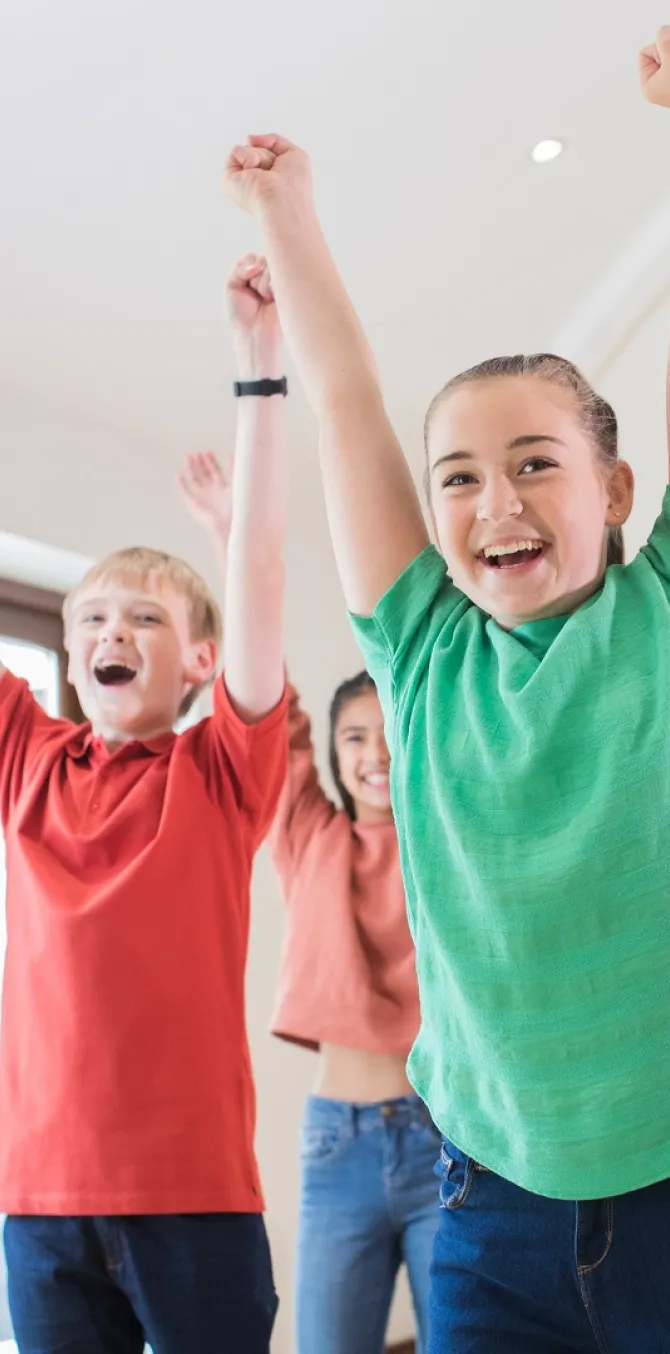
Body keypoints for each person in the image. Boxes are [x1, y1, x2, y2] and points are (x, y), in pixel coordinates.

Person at [223, 26, 670, 1354]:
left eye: (535, 463)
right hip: (496, 1208)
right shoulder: (426, 654)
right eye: (457, 475)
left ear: (615, 490)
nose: (493, 498)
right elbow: (346, 405)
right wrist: (287, 216)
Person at [0, 255, 289, 1354]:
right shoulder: (26, 751)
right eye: (92, 620)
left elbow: (258, 575)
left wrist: (256, 372)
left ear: (202, 660)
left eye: (144, 621)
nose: (111, 635)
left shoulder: (220, 769)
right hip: (38, 1198)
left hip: (195, 1201)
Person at [179, 440, 437, 1354]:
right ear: (332, 751)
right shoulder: (307, 831)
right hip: (339, 1145)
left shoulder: (450, 841)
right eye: (355, 736)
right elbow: (265, 708)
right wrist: (227, 536)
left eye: (393, 733)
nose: (375, 753)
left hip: (454, 1140)